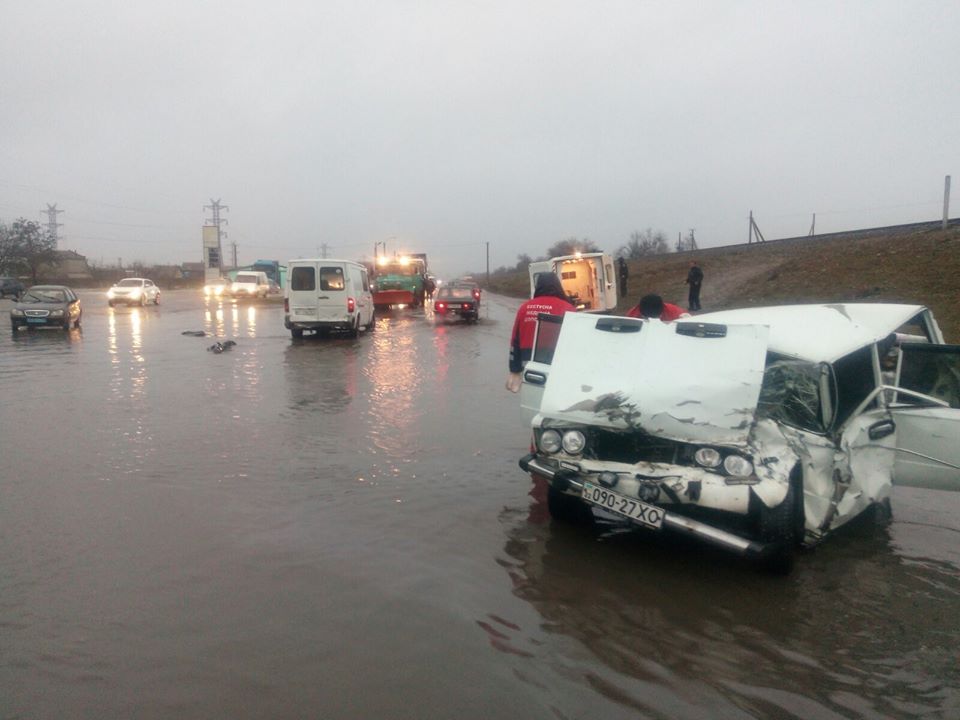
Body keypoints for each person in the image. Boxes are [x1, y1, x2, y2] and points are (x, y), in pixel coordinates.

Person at [506, 274, 576, 392]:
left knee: (531, 400)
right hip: (557, 366)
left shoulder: (524, 308)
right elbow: (575, 341)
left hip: (530, 369)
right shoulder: (568, 308)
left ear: (538, 286)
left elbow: (515, 341)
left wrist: (514, 370)